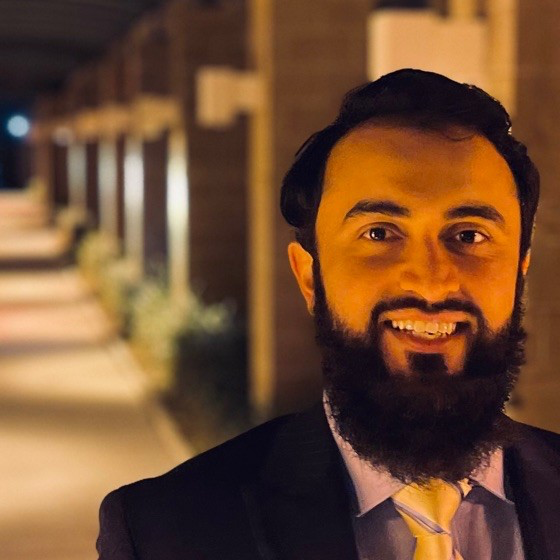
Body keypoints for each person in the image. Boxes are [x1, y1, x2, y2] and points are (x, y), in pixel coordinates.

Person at [96, 69, 560, 560]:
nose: (430, 281)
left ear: (519, 272)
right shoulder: (165, 531)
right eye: (380, 233)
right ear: (308, 277)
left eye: (469, 236)